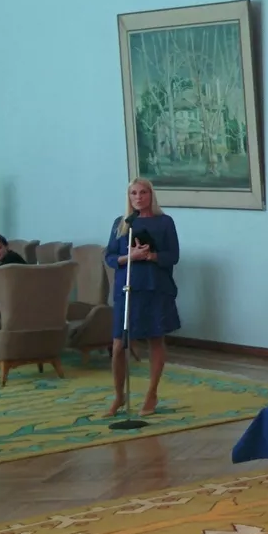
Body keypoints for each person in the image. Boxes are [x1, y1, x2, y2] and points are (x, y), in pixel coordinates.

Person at [104, 178, 181, 417]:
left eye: (143, 192)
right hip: (127, 288)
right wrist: (131, 257)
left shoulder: (165, 222)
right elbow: (109, 257)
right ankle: (119, 395)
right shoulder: (122, 223)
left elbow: (173, 256)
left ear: (151, 195)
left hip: (154, 286)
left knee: (155, 339)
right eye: (134, 193)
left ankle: (151, 394)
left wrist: (150, 256)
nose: (138, 197)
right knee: (118, 345)